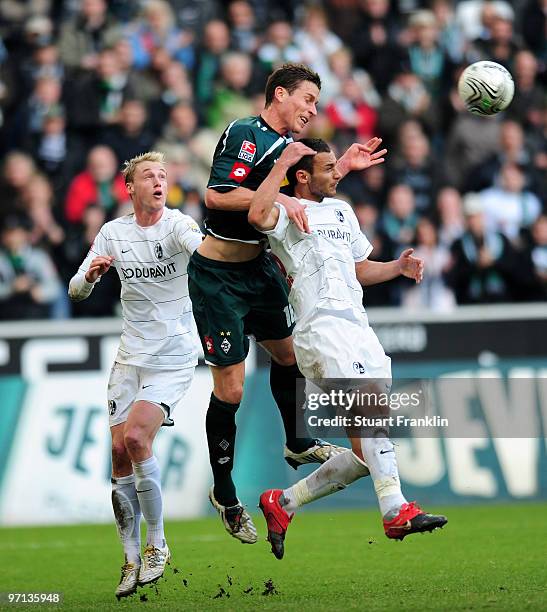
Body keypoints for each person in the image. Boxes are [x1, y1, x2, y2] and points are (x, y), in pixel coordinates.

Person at [188, 63, 379, 544]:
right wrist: (278, 187)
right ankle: (227, 495)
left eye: (316, 102)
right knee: (231, 391)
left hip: (260, 268)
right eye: (308, 99)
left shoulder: (297, 149)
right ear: (279, 95)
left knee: (288, 354)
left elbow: (306, 187)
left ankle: (296, 443)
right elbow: (216, 195)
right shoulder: (246, 134)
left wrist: (342, 169)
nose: (313, 110)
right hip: (219, 274)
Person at [248, 138, 447, 559]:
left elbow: (357, 268)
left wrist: (396, 267)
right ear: (302, 175)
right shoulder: (285, 210)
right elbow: (255, 212)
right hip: (319, 327)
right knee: (372, 411)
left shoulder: (342, 211)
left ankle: (282, 503)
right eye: (328, 167)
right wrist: (282, 165)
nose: (338, 172)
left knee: (364, 451)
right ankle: (395, 510)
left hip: (359, 327)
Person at [68, 151, 203, 598]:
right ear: (130, 186)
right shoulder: (113, 233)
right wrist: (90, 275)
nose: (158, 181)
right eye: (149, 175)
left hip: (174, 354)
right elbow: (76, 290)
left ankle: (157, 545)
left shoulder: (179, 225)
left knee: (136, 438)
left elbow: (201, 250)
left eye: (163, 175)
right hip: (131, 357)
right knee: (118, 453)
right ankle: (129, 559)